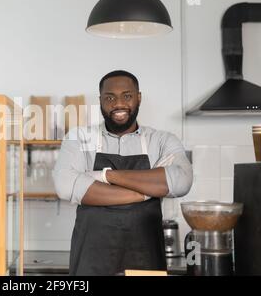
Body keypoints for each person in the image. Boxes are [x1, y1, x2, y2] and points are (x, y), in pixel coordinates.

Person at [52, 70, 193, 276]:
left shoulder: (161, 140)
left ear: (138, 98)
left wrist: (105, 176)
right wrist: (147, 191)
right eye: (110, 97)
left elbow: (181, 181)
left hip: (146, 260)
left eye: (127, 96)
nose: (118, 104)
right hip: (92, 262)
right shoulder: (80, 137)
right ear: (100, 101)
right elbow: (65, 185)